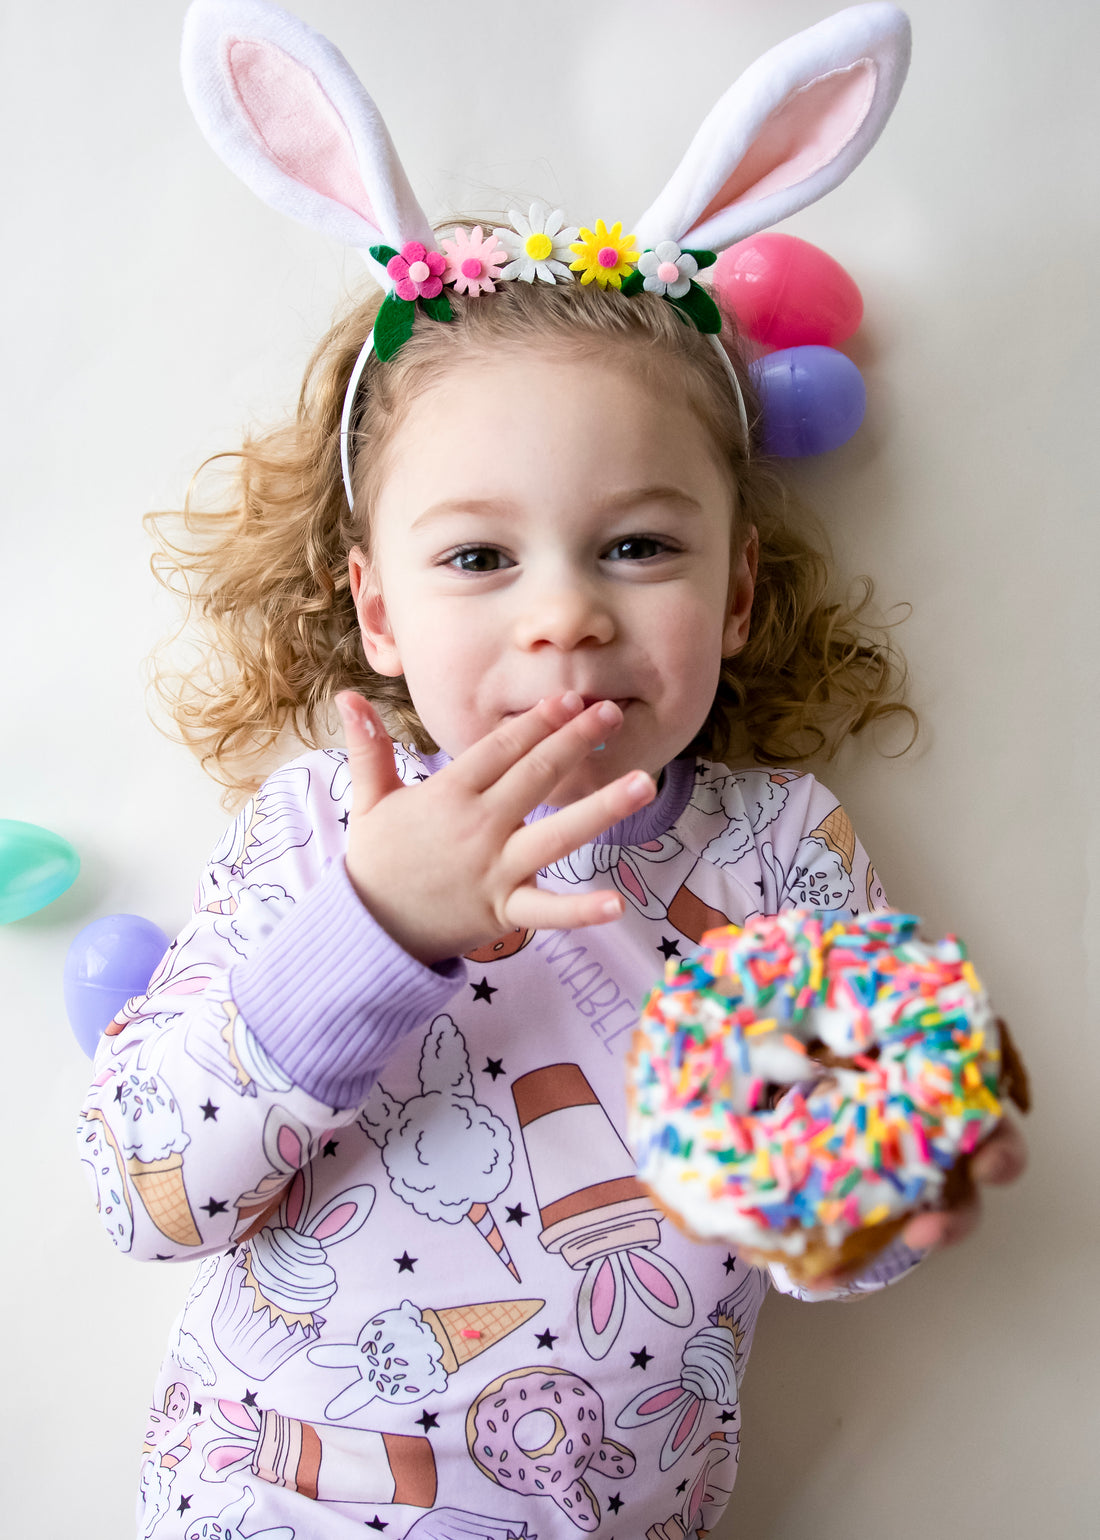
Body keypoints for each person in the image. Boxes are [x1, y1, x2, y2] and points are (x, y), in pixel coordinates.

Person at [77, 4, 1025, 1538]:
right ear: (379, 613)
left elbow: (873, 1238)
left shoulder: (780, 852)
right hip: (276, 1503)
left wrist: (790, 1087)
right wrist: (372, 929)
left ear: (733, 596)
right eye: (477, 556)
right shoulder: (325, 830)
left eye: (639, 546)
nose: (566, 609)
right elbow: (142, 1192)